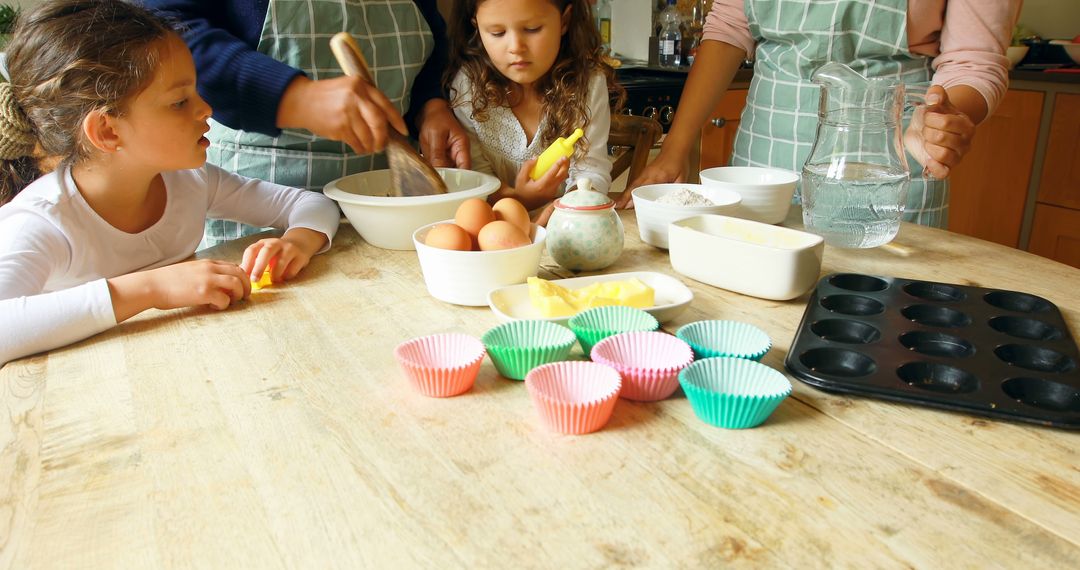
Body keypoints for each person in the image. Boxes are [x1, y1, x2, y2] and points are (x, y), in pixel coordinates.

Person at [0, 0, 340, 366]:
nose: (205, 109)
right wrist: (154, 287)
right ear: (107, 130)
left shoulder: (189, 181)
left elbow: (311, 205)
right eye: (180, 101)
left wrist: (298, 242)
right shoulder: (42, 222)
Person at [618, 0, 1022, 229]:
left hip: (883, 162)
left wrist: (944, 116)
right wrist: (675, 147)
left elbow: (973, 59)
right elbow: (728, 28)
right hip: (764, 159)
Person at [143, 0, 472, 247]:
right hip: (264, 209)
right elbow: (165, 27)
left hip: (389, 205)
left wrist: (430, 104)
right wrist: (295, 98)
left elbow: (430, 27)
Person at [444, 0, 623, 213]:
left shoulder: (588, 84)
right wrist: (521, 200)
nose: (516, 47)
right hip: (497, 226)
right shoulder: (468, 88)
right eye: (497, 33)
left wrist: (568, 210)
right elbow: (477, 182)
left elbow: (591, 170)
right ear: (477, 27)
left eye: (532, 29)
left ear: (564, 21)